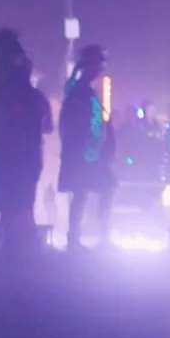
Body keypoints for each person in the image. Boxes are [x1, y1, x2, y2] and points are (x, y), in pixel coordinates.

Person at [0, 30, 52, 253]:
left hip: (1, 154)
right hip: (26, 154)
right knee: (24, 201)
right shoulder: (29, 93)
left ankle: (13, 244)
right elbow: (47, 124)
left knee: (9, 203)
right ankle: (24, 245)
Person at [56, 43, 117, 251]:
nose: (100, 70)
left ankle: (81, 238)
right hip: (85, 154)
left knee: (87, 192)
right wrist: (91, 148)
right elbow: (80, 125)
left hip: (88, 153)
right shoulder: (80, 93)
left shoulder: (81, 91)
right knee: (87, 191)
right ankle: (83, 238)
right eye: (99, 65)